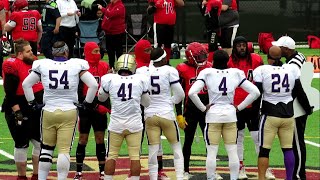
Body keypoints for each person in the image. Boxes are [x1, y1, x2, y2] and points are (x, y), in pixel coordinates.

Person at [22, 41, 98, 180]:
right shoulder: (76, 64)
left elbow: (26, 84)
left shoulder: (44, 64)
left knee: (46, 149)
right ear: (66, 52)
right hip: (69, 111)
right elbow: (93, 84)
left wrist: (32, 103)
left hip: (49, 110)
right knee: (64, 151)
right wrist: (86, 103)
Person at [188, 50, 260, 180]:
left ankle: (210, 177)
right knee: (232, 151)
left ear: (213, 61)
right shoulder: (236, 73)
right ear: (228, 61)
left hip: (213, 116)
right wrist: (239, 107)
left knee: (212, 151)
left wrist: (203, 108)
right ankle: (234, 178)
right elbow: (255, 92)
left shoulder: (207, 72)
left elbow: (192, 93)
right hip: (230, 115)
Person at [253, 46, 313, 180]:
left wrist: (254, 114)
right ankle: (289, 178)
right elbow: (299, 92)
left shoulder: (262, 70)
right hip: (288, 115)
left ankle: (261, 178)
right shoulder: (291, 69)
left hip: (270, 115)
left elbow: (257, 94)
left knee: (264, 150)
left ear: (268, 58)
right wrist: (307, 108)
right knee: (288, 149)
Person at [98, 54, 151, 180]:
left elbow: (101, 98)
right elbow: (146, 103)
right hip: (134, 124)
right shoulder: (140, 79)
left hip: (116, 124)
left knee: (111, 155)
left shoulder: (109, 79)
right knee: (135, 156)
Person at [136, 48, 185, 180]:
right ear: (163, 59)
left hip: (150, 115)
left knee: (153, 148)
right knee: (176, 146)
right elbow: (180, 95)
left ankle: (153, 177)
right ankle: (180, 176)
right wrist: (170, 101)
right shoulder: (170, 71)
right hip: (166, 114)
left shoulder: (142, 71)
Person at [227, 36, 271, 179]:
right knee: (238, 138)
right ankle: (240, 168)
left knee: (257, 137)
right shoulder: (229, 62)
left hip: (253, 105)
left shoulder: (256, 60)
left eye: (243, 45)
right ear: (234, 47)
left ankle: (264, 169)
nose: (242, 48)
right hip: (236, 106)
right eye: (239, 45)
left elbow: (263, 80)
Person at [175, 42, 221, 180]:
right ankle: (185, 170)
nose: (202, 59)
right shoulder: (182, 69)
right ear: (190, 57)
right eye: (198, 56)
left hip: (207, 109)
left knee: (210, 142)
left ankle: (212, 171)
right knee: (188, 141)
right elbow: (179, 94)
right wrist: (179, 114)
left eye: (203, 56)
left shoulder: (209, 67)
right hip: (191, 110)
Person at [2, 39, 43, 180]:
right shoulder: (11, 64)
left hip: (35, 106)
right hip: (19, 106)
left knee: (40, 142)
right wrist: (17, 111)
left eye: (31, 50)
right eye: (28, 51)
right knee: (22, 143)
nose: (32, 53)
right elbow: (9, 92)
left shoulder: (35, 62)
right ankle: (22, 176)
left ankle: (37, 175)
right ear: (20, 54)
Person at [271, 36, 309, 180]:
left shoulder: (291, 65)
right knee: (296, 141)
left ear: (286, 49)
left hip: (296, 107)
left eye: (279, 47)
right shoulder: (300, 55)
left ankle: (299, 175)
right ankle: (298, 173)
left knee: (297, 143)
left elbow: (295, 88)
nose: (276, 50)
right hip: (300, 105)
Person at [74, 42, 110, 180]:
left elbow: (107, 88)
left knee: (100, 138)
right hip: (86, 108)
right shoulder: (82, 68)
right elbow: (79, 92)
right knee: (83, 139)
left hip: (100, 108)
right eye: (95, 51)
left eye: (99, 51)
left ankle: (102, 170)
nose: (98, 54)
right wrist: (94, 105)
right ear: (88, 52)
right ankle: (78, 171)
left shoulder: (104, 66)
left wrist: (107, 106)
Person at [134, 39, 169, 179]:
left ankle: (159, 170)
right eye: (146, 50)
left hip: (153, 106)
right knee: (137, 139)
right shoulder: (133, 66)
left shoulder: (156, 64)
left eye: (150, 50)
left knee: (155, 140)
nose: (149, 53)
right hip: (137, 107)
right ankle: (134, 169)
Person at [97, 0, 125, 68]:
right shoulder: (110, 5)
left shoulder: (120, 6)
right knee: (110, 51)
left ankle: (120, 67)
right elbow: (107, 14)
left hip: (117, 32)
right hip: (109, 32)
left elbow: (110, 14)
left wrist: (102, 9)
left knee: (118, 52)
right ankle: (111, 66)